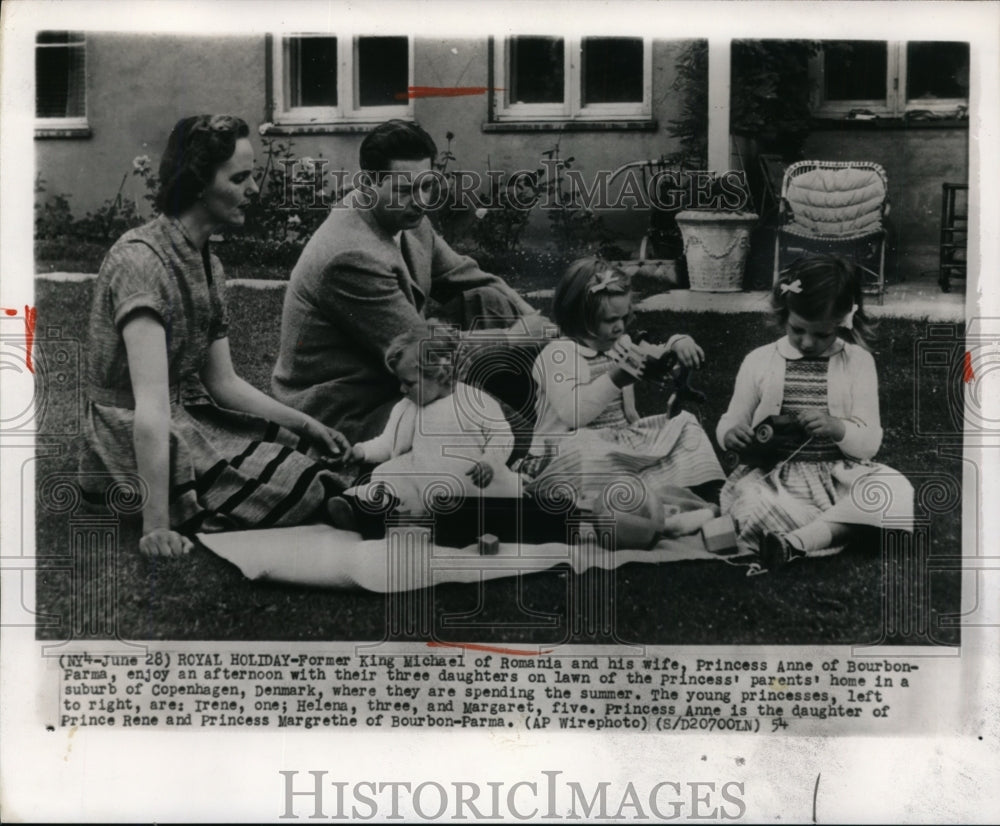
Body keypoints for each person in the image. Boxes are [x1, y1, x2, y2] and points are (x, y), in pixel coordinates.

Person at [81, 114, 351, 557]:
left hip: (184, 414)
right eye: (240, 178)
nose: (254, 190)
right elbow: (148, 405)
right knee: (299, 487)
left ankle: (356, 498)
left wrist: (307, 423)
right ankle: (363, 506)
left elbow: (222, 383)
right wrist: (156, 526)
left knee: (308, 451)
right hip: (130, 435)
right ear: (198, 183)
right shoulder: (142, 263)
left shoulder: (208, 263)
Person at [271, 119, 548, 444]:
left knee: (490, 301)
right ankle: (533, 436)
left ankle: (548, 409)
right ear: (369, 182)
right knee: (513, 437)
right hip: (351, 407)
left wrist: (545, 328)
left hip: (398, 375)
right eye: (404, 189)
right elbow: (423, 353)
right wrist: (514, 338)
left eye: (426, 185)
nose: (421, 199)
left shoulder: (408, 218)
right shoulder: (349, 256)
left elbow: (470, 276)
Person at [716, 255, 914, 568]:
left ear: (845, 321)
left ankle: (796, 541)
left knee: (895, 488)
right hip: (777, 478)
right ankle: (831, 532)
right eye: (798, 330)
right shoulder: (759, 360)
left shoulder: (858, 363)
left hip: (836, 478)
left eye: (823, 334)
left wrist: (838, 428)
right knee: (753, 505)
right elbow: (732, 418)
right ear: (784, 314)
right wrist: (731, 434)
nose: (808, 343)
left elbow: (870, 442)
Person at [525, 257, 725, 521]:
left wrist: (678, 343)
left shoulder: (620, 342)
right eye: (610, 320)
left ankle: (703, 493)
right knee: (585, 446)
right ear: (581, 317)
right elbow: (574, 415)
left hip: (617, 444)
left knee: (684, 425)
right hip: (568, 450)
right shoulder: (559, 355)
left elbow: (656, 352)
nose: (620, 326)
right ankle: (637, 505)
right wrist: (616, 379)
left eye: (624, 317)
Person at [337, 325, 522, 519]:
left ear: (441, 374)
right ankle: (359, 509)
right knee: (388, 477)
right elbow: (388, 442)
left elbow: (501, 436)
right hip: (422, 476)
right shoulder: (407, 407)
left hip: (469, 478)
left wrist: (490, 462)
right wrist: (361, 451)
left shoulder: (475, 401)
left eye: (409, 383)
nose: (402, 389)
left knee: (496, 500)